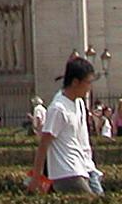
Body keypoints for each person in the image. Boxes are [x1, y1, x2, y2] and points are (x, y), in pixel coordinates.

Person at [29, 55, 101, 194]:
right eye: (87, 82)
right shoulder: (58, 108)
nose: (89, 88)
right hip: (66, 173)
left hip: (83, 168)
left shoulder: (78, 103)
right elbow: (44, 144)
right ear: (75, 82)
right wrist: (36, 178)